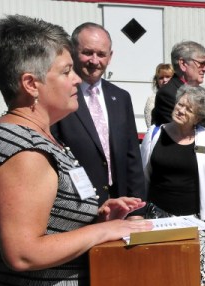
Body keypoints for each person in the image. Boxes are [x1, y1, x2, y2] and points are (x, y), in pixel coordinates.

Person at [0, 15, 153, 286]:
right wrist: (106, 231)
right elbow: (23, 253)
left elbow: (48, 221)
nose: (76, 79)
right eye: (66, 71)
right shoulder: (26, 151)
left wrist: (97, 216)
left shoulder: (38, 137)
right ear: (31, 84)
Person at [140, 85, 205, 286]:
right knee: (160, 274)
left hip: (197, 219)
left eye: (189, 109)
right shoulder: (154, 134)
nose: (181, 110)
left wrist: (204, 207)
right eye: (180, 104)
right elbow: (144, 174)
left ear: (198, 117)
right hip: (159, 217)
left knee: (197, 278)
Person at [52, 22, 144, 206]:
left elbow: (131, 154)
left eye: (101, 54)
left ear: (110, 57)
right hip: (77, 206)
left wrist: (137, 209)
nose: (95, 61)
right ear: (72, 51)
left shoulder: (120, 97)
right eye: (87, 52)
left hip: (120, 202)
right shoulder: (60, 96)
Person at [152, 41, 205, 126]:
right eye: (202, 63)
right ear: (183, 64)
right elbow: (185, 129)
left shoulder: (203, 92)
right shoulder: (168, 94)